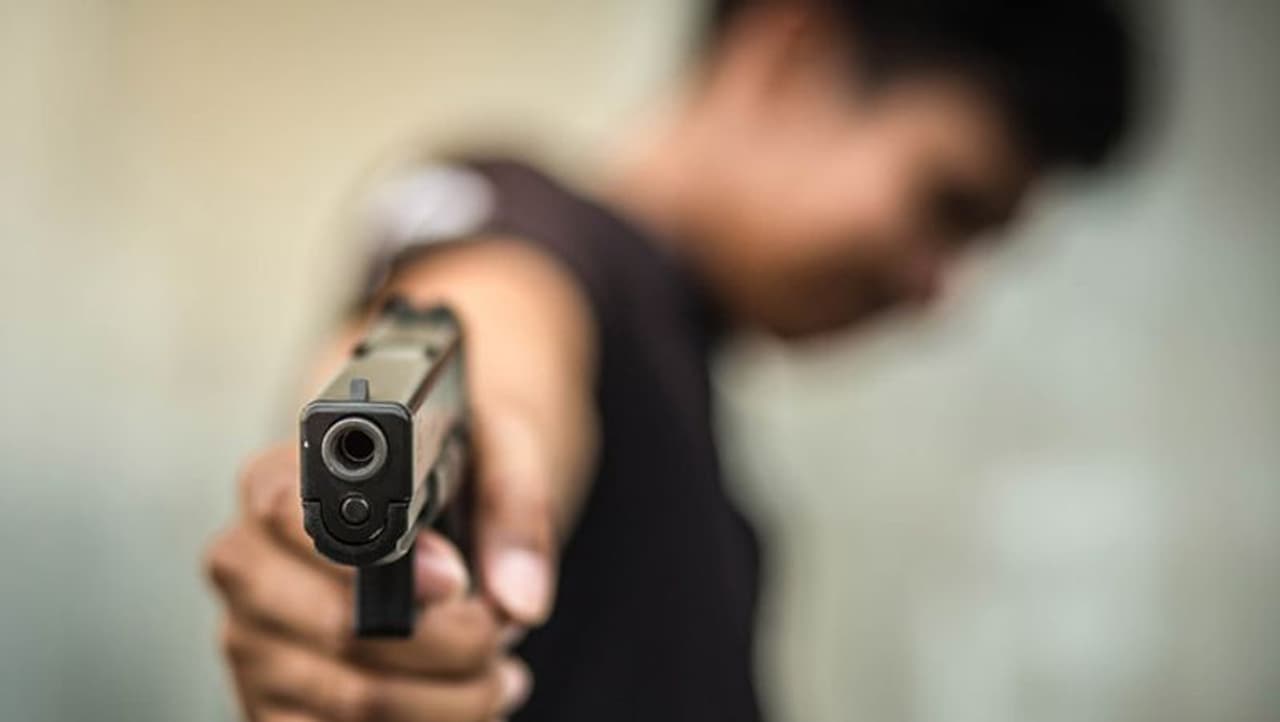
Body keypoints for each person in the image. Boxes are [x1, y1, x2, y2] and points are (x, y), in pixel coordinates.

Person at [204, 0, 1133, 720]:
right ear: (794, 58)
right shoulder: (530, 225)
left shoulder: (675, 360)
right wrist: (425, 483)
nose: (940, 289)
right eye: (948, 206)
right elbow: (492, 324)